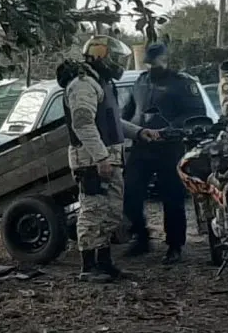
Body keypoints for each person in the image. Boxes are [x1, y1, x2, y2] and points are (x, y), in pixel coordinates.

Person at [56, 35, 159, 282]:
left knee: (111, 213)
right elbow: (83, 123)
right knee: (93, 211)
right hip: (92, 160)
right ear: (101, 55)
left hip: (107, 159)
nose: (116, 63)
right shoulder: (83, 84)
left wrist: (138, 132)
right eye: (112, 56)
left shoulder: (100, 82)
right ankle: (89, 266)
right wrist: (101, 156)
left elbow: (111, 121)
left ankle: (105, 263)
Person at [122, 43, 207, 264]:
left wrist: (170, 130)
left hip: (170, 147)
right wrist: (126, 129)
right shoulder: (141, 81)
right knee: (130, 193)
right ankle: (141, 237)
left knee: (172, 198)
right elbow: (129, 111)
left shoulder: (181, 83)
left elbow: (196, 113)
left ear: (165, 60)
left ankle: (175, 245)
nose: (151, 67)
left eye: (155, 62)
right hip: (142, 146)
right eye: (148, 63)